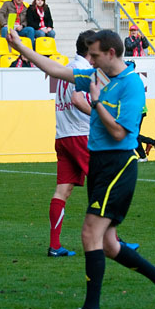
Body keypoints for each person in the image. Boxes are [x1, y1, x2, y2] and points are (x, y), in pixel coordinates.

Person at [6, 28, 155, 309]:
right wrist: (21, 46)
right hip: (99, 163)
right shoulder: (99, 76)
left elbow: (120, 132)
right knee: (108, 244)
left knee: (89, 233)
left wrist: (96, 102)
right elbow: (57, 70)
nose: (92, 60)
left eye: (95, 55)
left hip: (117, 165)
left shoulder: (131, 84)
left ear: (111, 53)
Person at [48, 30, 95, 257]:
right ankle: (113, 240)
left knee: (62, 191)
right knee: (104, 184)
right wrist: (100, 115)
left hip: (63, 134)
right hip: (81, 134)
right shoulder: (83, 70)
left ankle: (55, 245)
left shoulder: (67, 69)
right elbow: (77, 99)